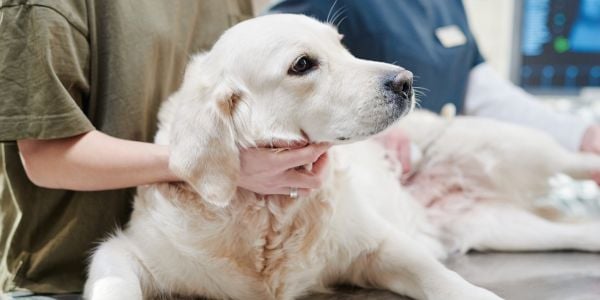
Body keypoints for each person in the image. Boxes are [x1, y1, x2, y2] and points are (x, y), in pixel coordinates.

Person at [0, 0, 329, 296]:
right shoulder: (41, 7)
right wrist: (210, 161)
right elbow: (46, 157)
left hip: (217, 260)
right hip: (63, 279)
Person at [267, 0, 600, 175]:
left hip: (442, 182)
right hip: (375, 185)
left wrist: (583, 136)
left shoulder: (447, 3)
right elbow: (270, 66)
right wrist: (370, 127)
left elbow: (480, 89)